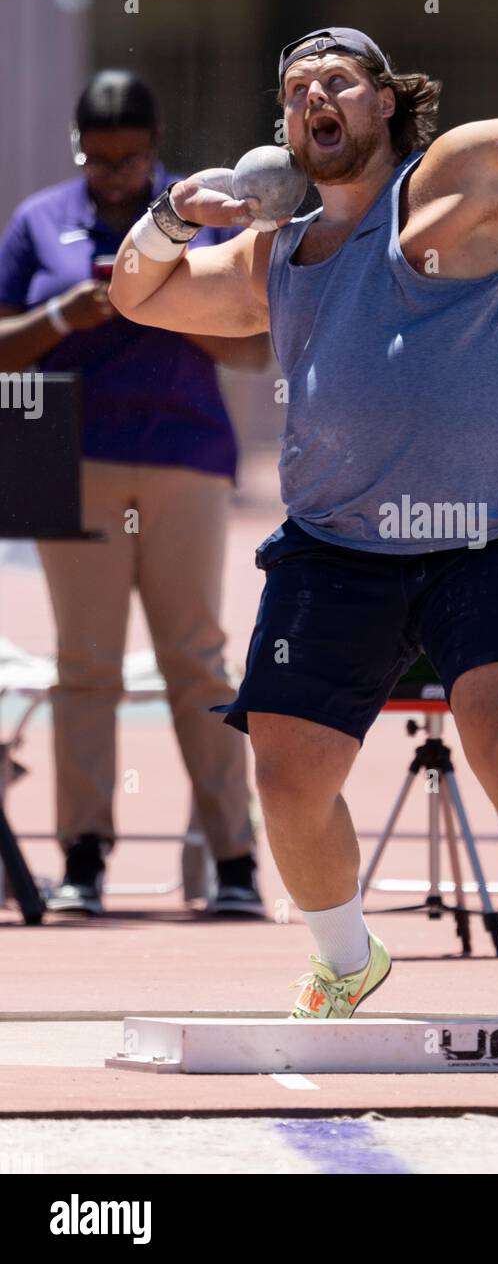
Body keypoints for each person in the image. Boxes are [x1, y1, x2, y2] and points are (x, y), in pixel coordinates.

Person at [109, 0, 498, 1014]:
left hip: (486, 536)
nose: (310, 99)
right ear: (282, 135)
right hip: (332, 549)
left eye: (333, 79)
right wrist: (169, 215)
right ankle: (345, 959)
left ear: (383, 99)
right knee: (286, 777)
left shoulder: (458, 181)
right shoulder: (272, 258)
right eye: (292, 92)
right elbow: (139, 296)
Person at [0, 70, 269, 918]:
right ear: (81, 147)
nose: (116, 175)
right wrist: (60, 319)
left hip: (180, 449)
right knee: (86, 664)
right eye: (100, 159)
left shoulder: (200, 217)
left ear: (155, 150)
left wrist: (154, 299)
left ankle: (233, 860)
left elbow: (253, 353)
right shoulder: (40, 221)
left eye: (132, 159)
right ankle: (82, 856)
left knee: (196, 656)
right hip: (63, 448)